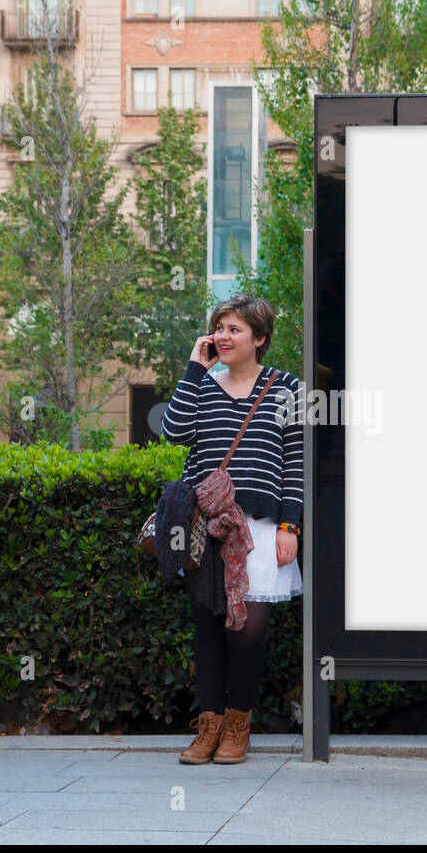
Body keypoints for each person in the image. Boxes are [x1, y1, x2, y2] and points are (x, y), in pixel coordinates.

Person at [160, 294, 304, 764]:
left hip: (261, 530)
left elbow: (296, 464)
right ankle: (209, 727)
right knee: (208, 627)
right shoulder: (201, 385)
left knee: (248, 632)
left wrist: (290, 525)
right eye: (218, 327)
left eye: (234, 329)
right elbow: (174, 431)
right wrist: (191, 369)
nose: (222, 336)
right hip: (207, 530)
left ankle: (238, 725)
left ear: (260, 338)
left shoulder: (287, 390)